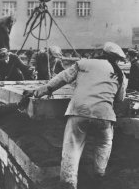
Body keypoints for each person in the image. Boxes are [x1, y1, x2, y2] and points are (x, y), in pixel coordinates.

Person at [24, 42, 127, 189]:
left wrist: (36, 92)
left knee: (72, 148)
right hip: (105, 115)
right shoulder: (120, 74)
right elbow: (120, 99)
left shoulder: (84, 63)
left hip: (79, 111)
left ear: (102, 52)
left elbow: (60, 79)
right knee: (104, 144)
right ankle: (99, 176)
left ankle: (68, 183)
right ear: (117, 59)